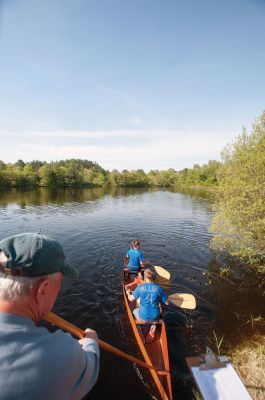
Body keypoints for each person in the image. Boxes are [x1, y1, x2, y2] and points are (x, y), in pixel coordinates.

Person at [0, 232, 100, 400]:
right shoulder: (59, 356)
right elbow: (90, 362)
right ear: (43, 289)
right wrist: (91, 340)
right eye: (59, 283)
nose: (59, 290)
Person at [126, 269, 169, 343]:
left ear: (145, 278)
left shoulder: (140, 287)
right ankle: (153, 326)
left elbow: (130, 299)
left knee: (134, 311)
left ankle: (141, 329)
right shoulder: (159, 288)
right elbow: (167, 303)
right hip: (155, 317)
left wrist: (128, 293)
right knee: (159, 307)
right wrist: (166, 298)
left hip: (143, 316)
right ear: (153, 278)